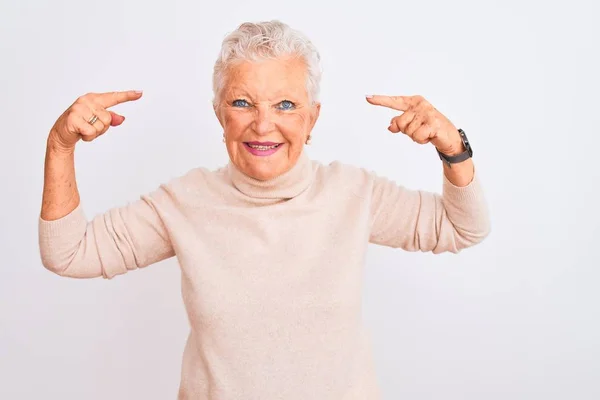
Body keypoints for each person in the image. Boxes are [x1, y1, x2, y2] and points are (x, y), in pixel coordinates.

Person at [38, 20, 490, 400]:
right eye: (242, 102)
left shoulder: (354, 193)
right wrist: (59, 147)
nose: (263, 123)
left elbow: (462, 228)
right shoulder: (183, 202)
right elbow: (69, 253)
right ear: (220, 114)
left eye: (286, 105)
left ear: (312, 118)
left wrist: (454, 149)